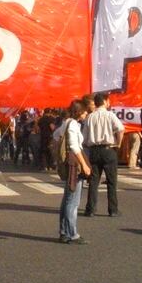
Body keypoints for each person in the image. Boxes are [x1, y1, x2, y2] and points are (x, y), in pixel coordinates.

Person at [82, 92, 124, 216]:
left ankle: (90, 209)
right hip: (108, 149)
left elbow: (84, 138)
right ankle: (113, 210)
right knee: (111, 181)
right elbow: (120, 129)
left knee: (94, 181)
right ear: (105, 101)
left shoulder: (90, 117)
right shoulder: (110, 115)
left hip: (94, 150)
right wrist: (118, 143)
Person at [56, 100, 91, 244]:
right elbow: (74, 146)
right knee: (73, 200)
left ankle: (64, 232)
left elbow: (56, 136)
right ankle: (72, 233)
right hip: (74, 164)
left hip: (70, 162)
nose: (86, 113)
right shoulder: (73, 125)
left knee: (67, 199)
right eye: (84, 111)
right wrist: (84, 165)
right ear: (79, 112)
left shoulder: (66, 122)